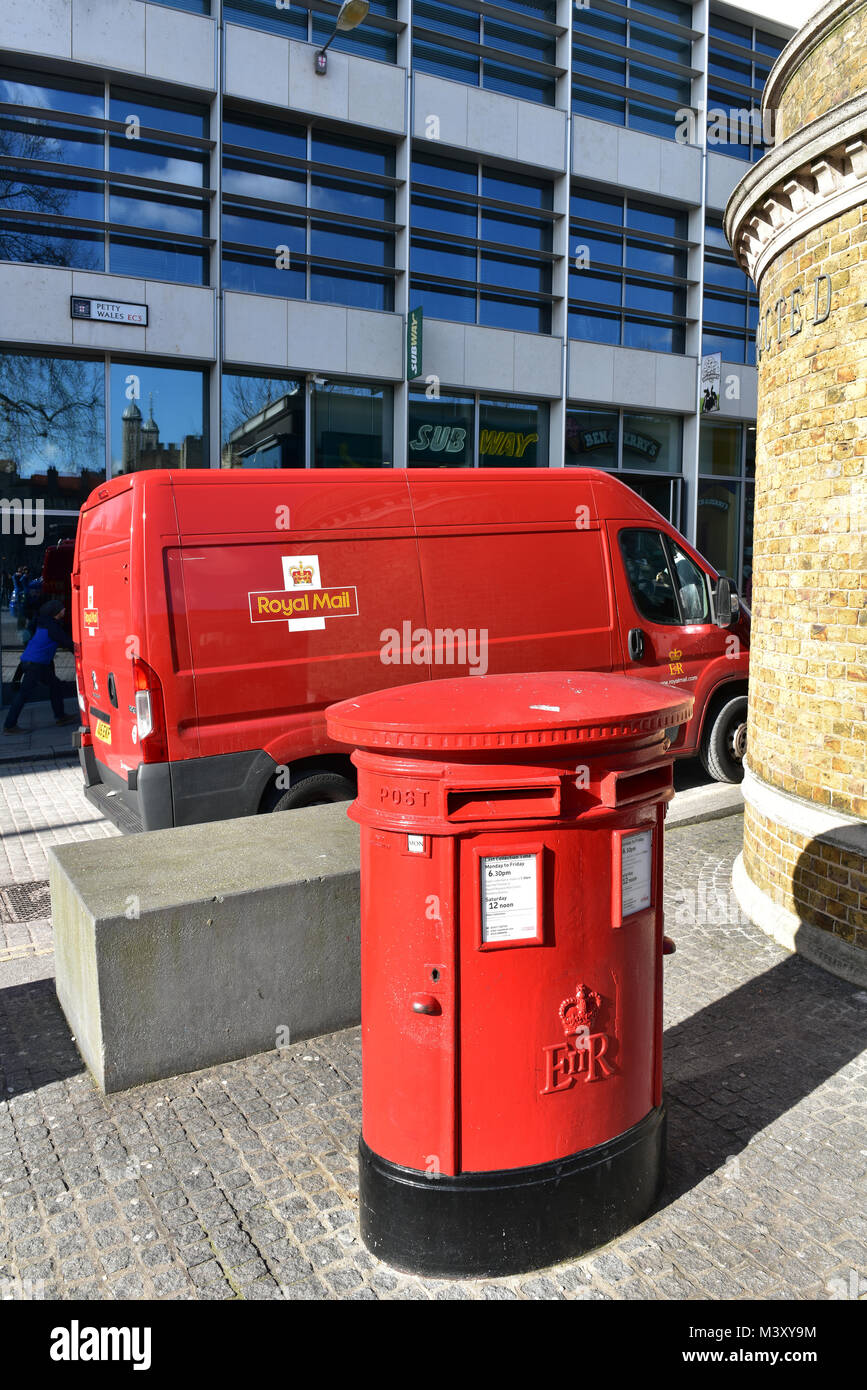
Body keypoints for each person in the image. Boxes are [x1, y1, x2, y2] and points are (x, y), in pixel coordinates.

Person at [2, 599, 75, 733]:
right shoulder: (53, 627)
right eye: (62, 608)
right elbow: (68, 643)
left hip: (29, 663)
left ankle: (61, 716)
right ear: (56, 612)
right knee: (23, 695)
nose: (65, 610)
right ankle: (9, 725)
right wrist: (80, 653)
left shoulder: (45, 624)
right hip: (36, 665)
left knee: (55, 685)